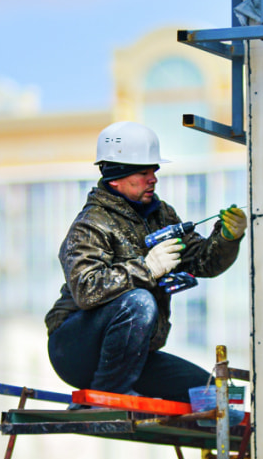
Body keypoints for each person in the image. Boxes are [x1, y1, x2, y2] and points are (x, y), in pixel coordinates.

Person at [44, 121, 248, 403]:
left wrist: (227, 238)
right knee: (139, 301)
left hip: (130, 356)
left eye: (154, 171)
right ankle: (109, 395)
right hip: (76, 350)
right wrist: (147, 269)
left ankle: (220, 434)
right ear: (116, 177)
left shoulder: (161, 216)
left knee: (219, 397)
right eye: (143, 172)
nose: (153, 178)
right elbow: (86, 289)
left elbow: (202, 262)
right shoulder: (91, 225)